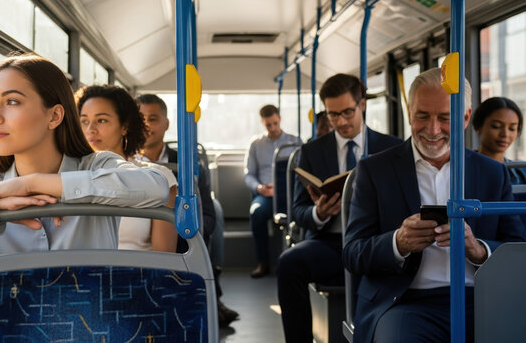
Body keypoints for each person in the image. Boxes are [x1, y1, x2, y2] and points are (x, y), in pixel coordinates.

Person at [0, 54, 169, 289]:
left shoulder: (96, 166)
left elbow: (156, 186)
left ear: (54, 116)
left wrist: (30, 185)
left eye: (12, 102)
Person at [343, 68, 526, 343]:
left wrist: (477, 249)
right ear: (408, 112)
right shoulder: (374, 171)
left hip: (482, 297)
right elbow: (353, 253)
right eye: (422, 116)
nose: (432, 130)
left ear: (465, 118)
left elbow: (516, 248)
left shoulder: (492, 172)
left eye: (444, 117)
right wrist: (398, 242)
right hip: (405, 302)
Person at [277, 73, 402, 343]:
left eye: (348, 112)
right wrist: (319, 213)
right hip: (330, 243)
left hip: (376, 241)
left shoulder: (393, 148)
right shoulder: (311, 152)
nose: (341, 122)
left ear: (362, 104)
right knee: (288, 264)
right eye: (333, 115)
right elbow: (298, 210)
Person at [136, 93, 239, 326]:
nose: (146, 126)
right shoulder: (122, 163)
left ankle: (211, 293)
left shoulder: (188, 164)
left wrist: (192, 233)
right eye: (140, 119)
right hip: (140, 235)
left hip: (183, 235)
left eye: (152, 119)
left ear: (166, 124)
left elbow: (208, 214)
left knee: (208, 228)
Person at [76, 85, 178, 253]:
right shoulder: (65, 174)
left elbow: (164, 254)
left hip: (139, 273)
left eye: (101, 120)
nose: (90, 130)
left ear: (124, 126)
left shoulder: (158, 177)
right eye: (84, 121)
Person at [245, 104, 302, 278]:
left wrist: (283, 188)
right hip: (266, 195)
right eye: (268, 125)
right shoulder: (256, 145)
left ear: (280, 119)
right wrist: (259, 188)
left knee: (301, 212)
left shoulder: (295, 142)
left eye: (275, 123)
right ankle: (263, 262)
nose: (273, 128)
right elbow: (249, 174)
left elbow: (301, 172)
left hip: (290, 193)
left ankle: (298, 261)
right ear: (263, 123)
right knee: (256, 213)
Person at [472, 96, 526, 184]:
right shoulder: (460, 170)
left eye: (512, 128)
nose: (505, 134)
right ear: (479, 126)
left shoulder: (522, 172)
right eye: (496, 126)